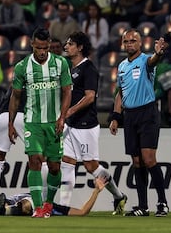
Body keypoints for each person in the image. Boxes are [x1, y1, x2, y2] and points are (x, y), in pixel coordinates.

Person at [60, 31, 127, 215]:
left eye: (70, 44)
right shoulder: (71, 69)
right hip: (70, 125)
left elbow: (90, 97)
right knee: (66, 163)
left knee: (91, 167)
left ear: (80, 47)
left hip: (86, 125)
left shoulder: (89, 68)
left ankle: (119, 196)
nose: (66, 47)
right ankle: (62, 207)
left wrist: (70, 111)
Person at [8, 27, 72, 218]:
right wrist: (11, 123)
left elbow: (67, 91)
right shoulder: (22, 67)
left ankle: (48, 204)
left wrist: (62, 117)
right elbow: (15, 96)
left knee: (54, 167)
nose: (43, 52)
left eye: (46, 48)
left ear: (49, 44)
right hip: (33, 122)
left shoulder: (60, 63)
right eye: (39, 48)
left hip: (54, 122)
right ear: (32, 45)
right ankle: (37, 208)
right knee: (34, 161)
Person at [109, 29, 169, 217]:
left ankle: (162, 203)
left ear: (140, 43)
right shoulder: (121, 66)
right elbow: (121, 92)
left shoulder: (146, 60)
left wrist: (158, 53)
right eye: (126, 41)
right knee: (136, 161)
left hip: (147, 113)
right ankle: (143, 206)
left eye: (133, 41)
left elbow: (153, 62)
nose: (129, 44)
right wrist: (116, 117)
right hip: (130, 116)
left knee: (149, 158)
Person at [0, 86, 50, 208]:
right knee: (43, 160)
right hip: (27, 117)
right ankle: (45, 203)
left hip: (4, 116)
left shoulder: (15, 79)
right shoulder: (40, 76)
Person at [0, 177, 108, 217]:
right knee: (0, 203)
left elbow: (83, 212)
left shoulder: (54, 207)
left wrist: (96, 191)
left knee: (24, 205)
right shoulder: (31, 195)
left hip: (26, 203)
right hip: (22, 199)